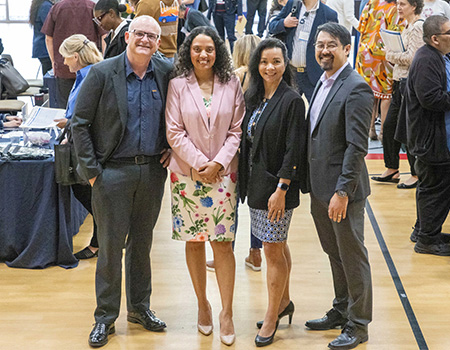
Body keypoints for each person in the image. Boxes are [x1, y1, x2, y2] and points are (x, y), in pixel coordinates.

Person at [71, 16, 173, 347]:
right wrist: (91, 170)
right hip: (111, 173)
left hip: (152, 173)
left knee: (142, 246)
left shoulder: (165, 72)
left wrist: (172, 147)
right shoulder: (102, 73)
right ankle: (105, 317)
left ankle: (140, 309)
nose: (146, 40)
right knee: (111, 249)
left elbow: (178, 116)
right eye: (140, 34)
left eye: (152, 36)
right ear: (128, 36)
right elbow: (80, 123)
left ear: (159, 42)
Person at [165, 26, 244, 346]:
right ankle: (202, 304)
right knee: (194, 241)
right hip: (187, 176)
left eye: (209, 49)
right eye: (197, 49)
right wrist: (200, 163)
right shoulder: (177, 85)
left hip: (224, 175)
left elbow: (237, 132)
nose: (203, 54)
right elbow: (173, 131)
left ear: (218, 52)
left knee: (222, 244)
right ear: (188, 52)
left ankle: (226, 311)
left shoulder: (232, 83)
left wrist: (218, 164)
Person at [305, 23, 373, 350]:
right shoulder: (322, 81)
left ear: (347, 48)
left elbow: (357, 146)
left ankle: (358, 326)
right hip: (320, 190)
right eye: (320, 45)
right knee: (335, 254)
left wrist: (343, 192)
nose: (324, 50)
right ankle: (341, 308)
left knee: (352, 257)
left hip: (341, 193)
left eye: (332, 45)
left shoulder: (356, 87)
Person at [239, 38, 306, 347]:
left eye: (276, 61)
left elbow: (295, 150)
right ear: (257, 64)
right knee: (277, 244)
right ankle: (284, 302)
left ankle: (271, 317)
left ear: (285, 64)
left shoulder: (291, 100)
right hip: (256, 186)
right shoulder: (254, 96)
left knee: (272, 250)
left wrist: (282, 188)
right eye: (264, 62)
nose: (270, 67)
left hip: (277, 189)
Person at [404, 15, 450, 255]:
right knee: (436, 188)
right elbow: (430, 98)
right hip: (430, 140)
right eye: (449, 33)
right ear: (435, 39)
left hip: (434, 137)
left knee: (433, 186)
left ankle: (424, 229)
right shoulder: (426, 60)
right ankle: (427, 239)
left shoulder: (437, 56)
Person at [58, 34, 103, 260]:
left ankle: (100, 241)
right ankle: (99, 240)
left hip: (88, 146)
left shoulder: (91, 77)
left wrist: (68, 123)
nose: (64, 62)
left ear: (76, 56)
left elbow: (89, 115)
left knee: (86, 192)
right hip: (79, 140)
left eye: (66, 58)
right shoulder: (83, 75)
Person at [372, 0, 424, 188]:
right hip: (398, 83)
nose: (399, 7)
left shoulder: (418, 27)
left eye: (403, 4)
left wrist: (390, 54)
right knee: (389, 127)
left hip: (409, 85)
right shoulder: (407, 26)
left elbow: (413, 58)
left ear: (414, 6)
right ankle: (392, 168)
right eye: (398, 3)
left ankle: (416, 173)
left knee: (409, 131)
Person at [268, 0, 338, 102]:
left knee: (316, 113)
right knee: (286, 111)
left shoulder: (329, 14)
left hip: (314, 75)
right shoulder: (292, 5)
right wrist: (284, 23)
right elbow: (272, 26)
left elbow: (334, 48)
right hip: (290, 73)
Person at [41, 0, 106, 109]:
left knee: (65, 107)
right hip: (89, 66)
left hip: (64, 66)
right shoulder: (92, 6)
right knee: (90, 105)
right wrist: (102, 59)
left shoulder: (57, 7)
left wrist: (54, 61)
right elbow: (104, 36)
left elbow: (48, 38)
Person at [356, 0, 402, 142]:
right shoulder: (396, 7)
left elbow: (361, 26)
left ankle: (369, 129)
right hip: (383, 53)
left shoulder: (371, 2)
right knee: (385, 95)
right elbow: (397, 30)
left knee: (369, 93)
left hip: (365, 52)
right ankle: (383, 132)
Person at [29, 0, 53, 76]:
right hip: (45, 47)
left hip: (40, 46)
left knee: (47, 74)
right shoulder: (46, 6)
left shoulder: (39, 4)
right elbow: (50, 27)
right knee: (49, 78)